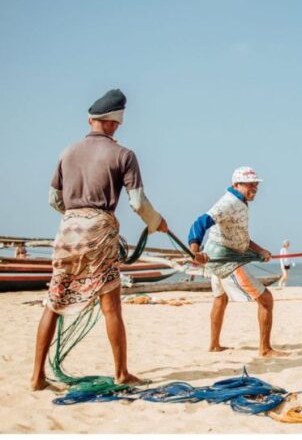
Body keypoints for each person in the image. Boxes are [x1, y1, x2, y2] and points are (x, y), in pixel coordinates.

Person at [31, 89, 169, 391]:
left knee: (54, 302)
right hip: (99, 230)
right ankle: (121, 373)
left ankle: (37, 377)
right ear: (116, 122)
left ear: (90, 119)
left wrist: (75, 215)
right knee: (111, 307)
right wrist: (157, 222)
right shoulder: (124, 155)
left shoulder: (67, 152)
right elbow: (137, 203)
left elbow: (54, 199)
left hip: (67, 229)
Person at [188, 167, 287, 357]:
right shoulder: (229, 203)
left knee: (220, 298)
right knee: (266, 299)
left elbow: (240, 236)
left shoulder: (239, 202)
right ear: (236, 185)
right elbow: (200, 222)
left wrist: (260, 251)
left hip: (217, 256)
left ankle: (214, 345)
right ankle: (265, 349)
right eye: (250, 184)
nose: (255, 188)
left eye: (256, 184)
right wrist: (194, 250)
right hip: (225, 260)